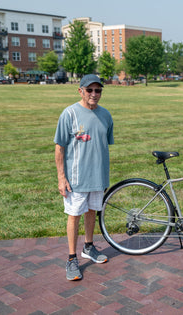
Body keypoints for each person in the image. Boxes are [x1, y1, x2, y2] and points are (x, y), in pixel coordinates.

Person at [54, 74, 114, 280]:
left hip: (98, 178)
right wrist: (62, 178)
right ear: (80, 91)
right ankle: (71, 258)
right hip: (77, 180)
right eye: (89, 90)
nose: (94, 94)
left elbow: (102, 145)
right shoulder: (69, 114)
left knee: (91, 212)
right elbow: (59, 148)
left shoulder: (105, 115)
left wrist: (104, 177)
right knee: (74, 215)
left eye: (98, 91)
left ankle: (88, 247)